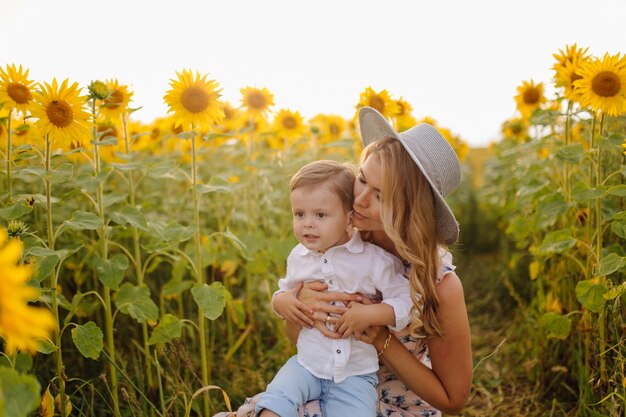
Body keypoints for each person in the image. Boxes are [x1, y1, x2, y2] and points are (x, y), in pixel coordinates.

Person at [213, 107, 472, 417]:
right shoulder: (336, 241)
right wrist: (303, 305)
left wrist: (381, 339)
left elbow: (453, 400)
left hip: (395, 405)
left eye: (381, 196)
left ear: (410, 209)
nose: (360, 200)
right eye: (362, 179)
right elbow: (297, 339)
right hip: (325, 381)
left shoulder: (438, 282)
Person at [256, 159, 413, 417]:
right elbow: (285, 292)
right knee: (275, 401)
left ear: (349, 219)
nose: (307, 223)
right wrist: (280, 302)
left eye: (320, 215)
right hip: (305, 365)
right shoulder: (299, 256)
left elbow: (407, 301)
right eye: (299, 214)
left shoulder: (372, 260)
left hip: (355, 375)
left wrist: (371, 314)